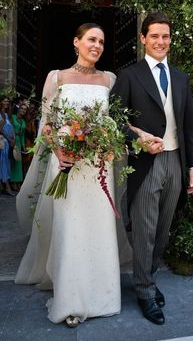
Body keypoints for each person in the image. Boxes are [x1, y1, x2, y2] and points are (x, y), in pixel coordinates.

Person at [15, 23, 121, 327]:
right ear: (76, 42)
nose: (97, 45)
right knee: (70, 230)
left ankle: (104, 296)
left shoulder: (109, 80)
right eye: (91, 39)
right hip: (65, 166)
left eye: (101, 41)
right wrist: (61, 152)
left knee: (99, 229)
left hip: (98, 168)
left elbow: (113, 124)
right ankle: (70, 300)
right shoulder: (57, 78)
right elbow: (46, 125)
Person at [111, 11, 193, 325]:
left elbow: (189, 126)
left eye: (165, 36)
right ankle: (145, 291)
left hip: (176, 161)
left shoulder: (180, 77)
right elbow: (114, 120)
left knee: (162, 230)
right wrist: (137, 139)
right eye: (154, 36)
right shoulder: (129, 75)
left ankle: (147, 279)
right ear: (143, 38)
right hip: (145, 163)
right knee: (145, 232)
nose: (160, 41)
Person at [0, 96, 15, 195]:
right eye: (4, 101)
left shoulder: (8, 115)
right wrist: (9, 139)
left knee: (7, 163)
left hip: (9, 143)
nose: (6, 103)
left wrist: (13, 139)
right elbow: (0, 129)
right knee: (4, 163)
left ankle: (3, 185)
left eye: (7, 101)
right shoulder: (0, 115)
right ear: (1, 102)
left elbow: (12, 128)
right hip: (2, 142)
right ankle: (7, 187)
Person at [11, 103, 27, 191]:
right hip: (12, 141)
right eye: (22, 108)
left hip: (19, 143)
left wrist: (23, 146)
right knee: (13, 162)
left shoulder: (24, 121)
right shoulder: (12, 117)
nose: (23, 110)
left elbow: (23, 135)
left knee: (18, 163)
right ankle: (13, 183)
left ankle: (17, 182)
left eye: (25, 109)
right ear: (18, 109)